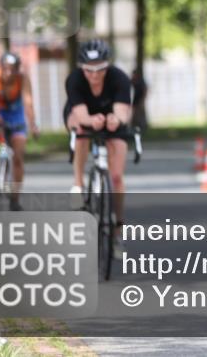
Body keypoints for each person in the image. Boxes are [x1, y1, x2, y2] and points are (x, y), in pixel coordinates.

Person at [64, 39, 132, 254]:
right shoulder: (74, 79)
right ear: (81, 68)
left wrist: (116, 120)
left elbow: (123, 111)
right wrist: (89, 120)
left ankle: (118, 230)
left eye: (100, 69)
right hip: (82, 114)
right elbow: (80, 113)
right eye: (89, 70)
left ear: (107, 66)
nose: (94, 75)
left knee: (117, 176)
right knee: (81, 132)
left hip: (110, 118)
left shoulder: (119, 78)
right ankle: (78, 184)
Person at [0, 51, 39, 209]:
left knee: (18, 157)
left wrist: (33, 124)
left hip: (16, 117)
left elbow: (28, 103)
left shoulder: (22, 79)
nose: (8, 72)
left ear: (18, 69)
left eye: (12, 69)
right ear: (1, 67)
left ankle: (15, 199)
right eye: (5, 68)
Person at [131, 67, 149, 134]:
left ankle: (143, 128)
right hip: (134, 101)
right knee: (134, 115)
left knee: (141, 115)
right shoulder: (133, 81)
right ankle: (135, 127)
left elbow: (145, 90)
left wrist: (143, 100)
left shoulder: (141, 81)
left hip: (140, 100)